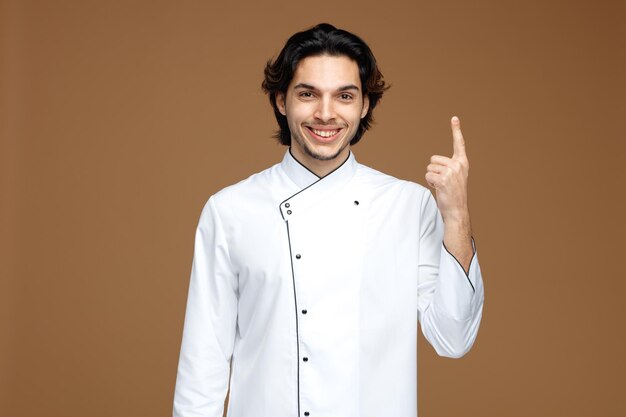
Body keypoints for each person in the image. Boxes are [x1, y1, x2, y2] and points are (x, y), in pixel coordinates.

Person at [173, 23, 484, 417]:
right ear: (281, 100)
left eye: (344, 96)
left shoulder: (409, 206)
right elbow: (203, 367)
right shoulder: (230, 210)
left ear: (365, 105)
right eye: (308, 94)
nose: (326, 113)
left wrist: (457, 215)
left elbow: (454, 337)